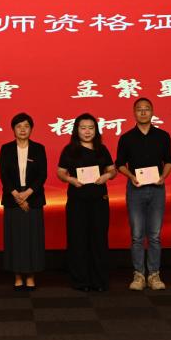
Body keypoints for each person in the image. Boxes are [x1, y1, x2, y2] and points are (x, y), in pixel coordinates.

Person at [115, 97, 171, 291]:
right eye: (139, 109)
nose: (143, 112)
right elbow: (119, 164)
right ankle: (139, 275)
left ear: (152, 112)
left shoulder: (163, 136)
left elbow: (169, 161)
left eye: (147, 109)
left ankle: (154, 275)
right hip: (135, 189)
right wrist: (131, 176)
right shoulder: (126, 138)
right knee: (137, 235)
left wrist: (163, 176)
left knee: (155, 235)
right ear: (134, 113)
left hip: (157, 189)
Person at [57, 113, 116, 292]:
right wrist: (71, 180)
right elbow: (60, 172)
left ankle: (99, 281)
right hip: (77, 201)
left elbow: (112, 170)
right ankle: (80, 280)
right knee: (78, 240)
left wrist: (106, 176)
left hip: (99, 200)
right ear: (77, 130)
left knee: (99, 239)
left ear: (96, 130)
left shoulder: (102, 149)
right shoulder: (69, 150)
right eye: (83, 128)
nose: (87, 131)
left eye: (91, 128)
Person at [0, 112, 47, 289]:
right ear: (13, 129)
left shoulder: (39, 149)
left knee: (32, 239)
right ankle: (17, 275)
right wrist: (17, 196)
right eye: (19, 126)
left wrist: (27, 194)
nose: (23, 129)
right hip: (12, 198)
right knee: (15, 239)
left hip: (33, 198)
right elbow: (4, 175)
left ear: (31, 129)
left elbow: (42, 175)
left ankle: (31, 275)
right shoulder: (6, 149)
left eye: (26, 126)